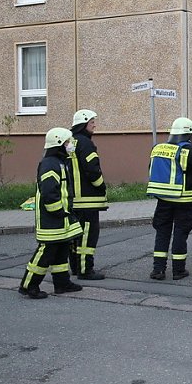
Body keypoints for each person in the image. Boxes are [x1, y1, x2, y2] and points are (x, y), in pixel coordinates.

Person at [19, 128, 84, 299]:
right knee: (46, 252)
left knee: (61, 250)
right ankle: (29, 285)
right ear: (59, 144)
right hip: (52, 218)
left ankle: (62, 283)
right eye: (68, 142)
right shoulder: (50, 163)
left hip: (60, 217)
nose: (71, 145)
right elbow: (49, 192)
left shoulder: (60, 161)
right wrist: (58, 212)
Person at [146, 117, 192, 281]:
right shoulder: (191, 150)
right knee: (180, 234)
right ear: (188, 132)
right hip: (184, 199)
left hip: (163, 199)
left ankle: (158, 270)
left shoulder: (157, 148)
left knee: (162, 232)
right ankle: (178, 270)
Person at [69, 109, 109, 280]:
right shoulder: (86, 143)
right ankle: (86, 270)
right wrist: (102, 187)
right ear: (83, 124)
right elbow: (93, 170)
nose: (95, 125)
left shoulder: (70, 142)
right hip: (87, 200)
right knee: (88, 236)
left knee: (75, 236)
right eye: (92, 122)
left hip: (72, 199)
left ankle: (76, 267)